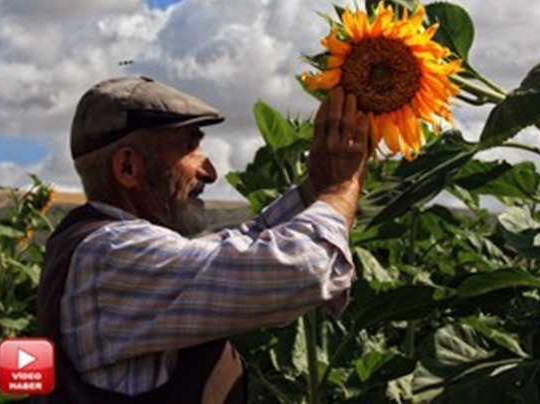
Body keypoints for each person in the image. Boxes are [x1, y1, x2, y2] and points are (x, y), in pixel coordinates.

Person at [36, 76, 368, 403]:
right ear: (128, 167)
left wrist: (314, 188)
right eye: (190, 146)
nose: (210, 171)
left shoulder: (109, 250)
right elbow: (299, 269)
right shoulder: (111, 253)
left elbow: (233, 248)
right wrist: (339, 189)